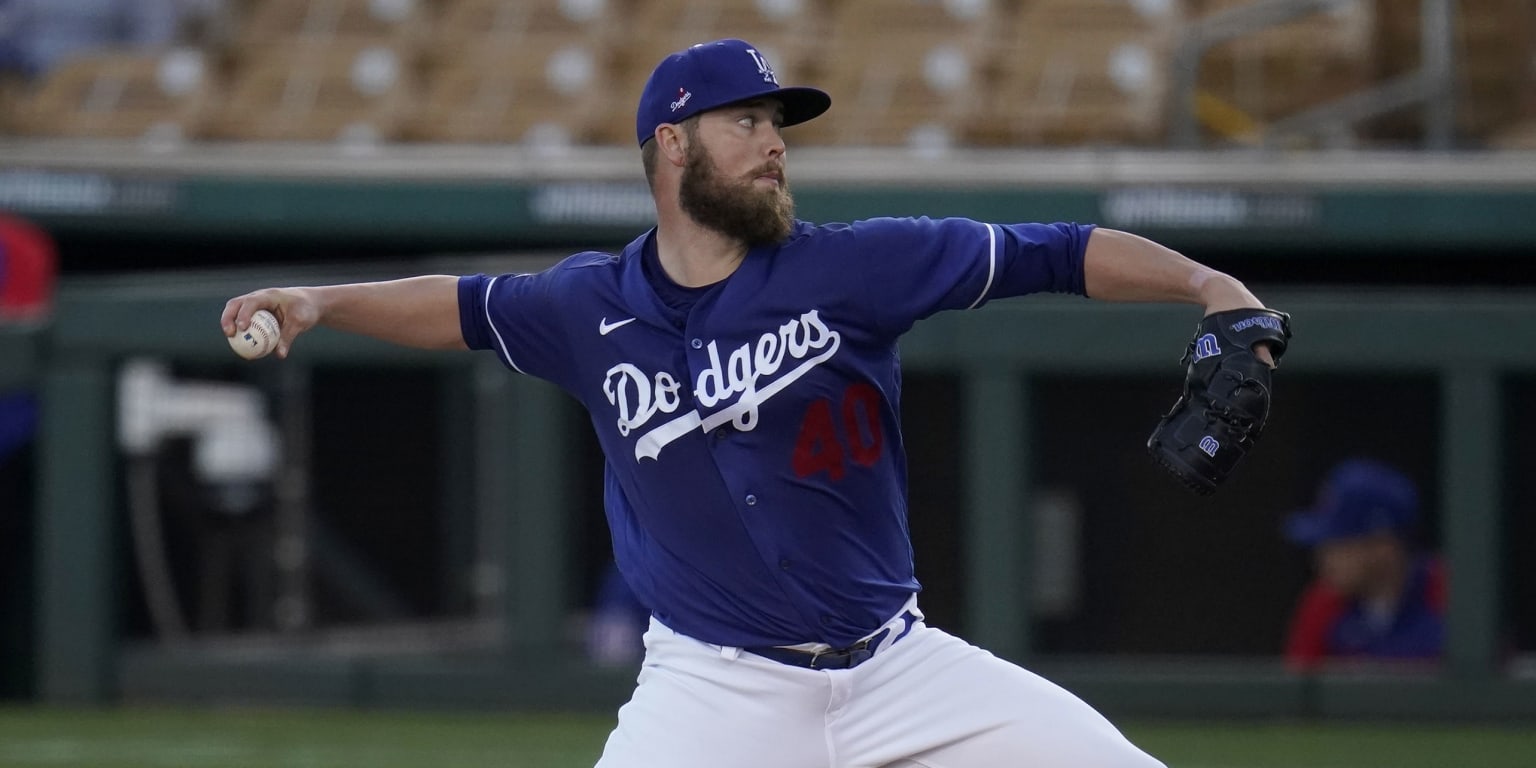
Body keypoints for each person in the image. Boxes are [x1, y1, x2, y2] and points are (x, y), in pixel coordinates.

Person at [223, 38, 1282, 768]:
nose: (776, 143)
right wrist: (321, 301)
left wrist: (1208, 285)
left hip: (900, 668)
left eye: (779, 124)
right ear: (673, 145)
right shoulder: (585, 304)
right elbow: (456, 306)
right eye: (747, 122)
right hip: (714, 690)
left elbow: (1056, 253)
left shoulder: (858, 266)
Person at [1282, 458, 1446, 671]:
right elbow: (1296, 693)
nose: (1323, 559)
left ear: (1384, 547)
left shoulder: (1447, 594)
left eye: (1339, 545)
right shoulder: (1323, 603)